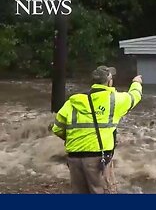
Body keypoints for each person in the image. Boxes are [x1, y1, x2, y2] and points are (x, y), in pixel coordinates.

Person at [51, 66, 143, 194]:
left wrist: (76, 138)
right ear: (110, 81)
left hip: (74, 159)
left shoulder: (72, 102)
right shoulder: (114, 99)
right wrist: (136, 83)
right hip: (98, 159)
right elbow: (134, 96)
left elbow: (57, 128)